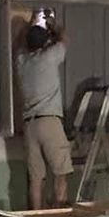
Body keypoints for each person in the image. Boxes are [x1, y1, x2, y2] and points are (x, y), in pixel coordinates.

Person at [16, 20, 71, 207]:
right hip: (49, 121)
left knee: (36, 178)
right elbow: (64, 38)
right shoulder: (49, 56)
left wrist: (31, 21)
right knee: (60, 173)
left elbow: (20, 44)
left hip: (30, 125)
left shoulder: (21, 62)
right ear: (46, 43)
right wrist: (52, 23)